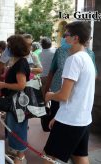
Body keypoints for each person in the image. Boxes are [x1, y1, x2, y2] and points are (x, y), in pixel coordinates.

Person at [44, 21, 95, 164]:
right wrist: (58, 116)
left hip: (70, 120)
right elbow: (75, 94)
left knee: (48, 156)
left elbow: (64, 95)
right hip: (83, 119)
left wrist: (50, 95)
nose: (64, 38)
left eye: (66, 35)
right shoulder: (87, 58)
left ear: (75, 38)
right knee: (79, 156)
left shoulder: (73, 60)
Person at [0, 34, 30, 164]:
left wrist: (3, 84)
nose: (6, 49)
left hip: (17, 104)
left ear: (14, 48)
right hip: (15, 103)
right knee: (15, 128)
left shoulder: (21, 63)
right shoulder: (19, 62)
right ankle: (18, 154)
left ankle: (20, 157)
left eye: (8, 46)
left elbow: (21, 85)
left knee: (17, 129)